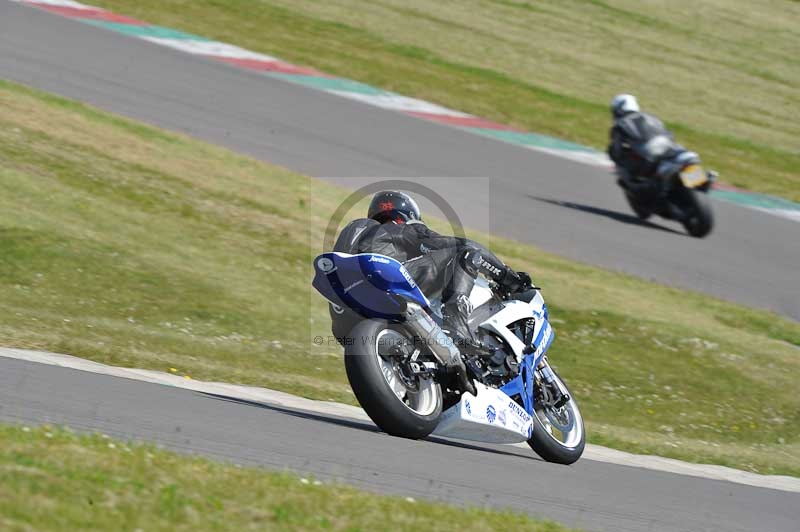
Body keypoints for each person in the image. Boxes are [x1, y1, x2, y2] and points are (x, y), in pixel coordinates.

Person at [331, 190, 531, 346]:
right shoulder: (398, 228)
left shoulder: (357, 235)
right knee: (467, 254)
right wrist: (509, 278)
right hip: (385, 285)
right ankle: (456, 322)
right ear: (406, 215)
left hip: (346, 322)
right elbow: (464, 245)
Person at [607, 94, 676, 197]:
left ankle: (647, 194)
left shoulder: (620, 125)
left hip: (649, 157)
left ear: (619, 109)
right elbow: (668, 132)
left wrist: (614, 155)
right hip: (670, 148)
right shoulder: (652, 117)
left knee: (630, 178)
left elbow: (617, 150)